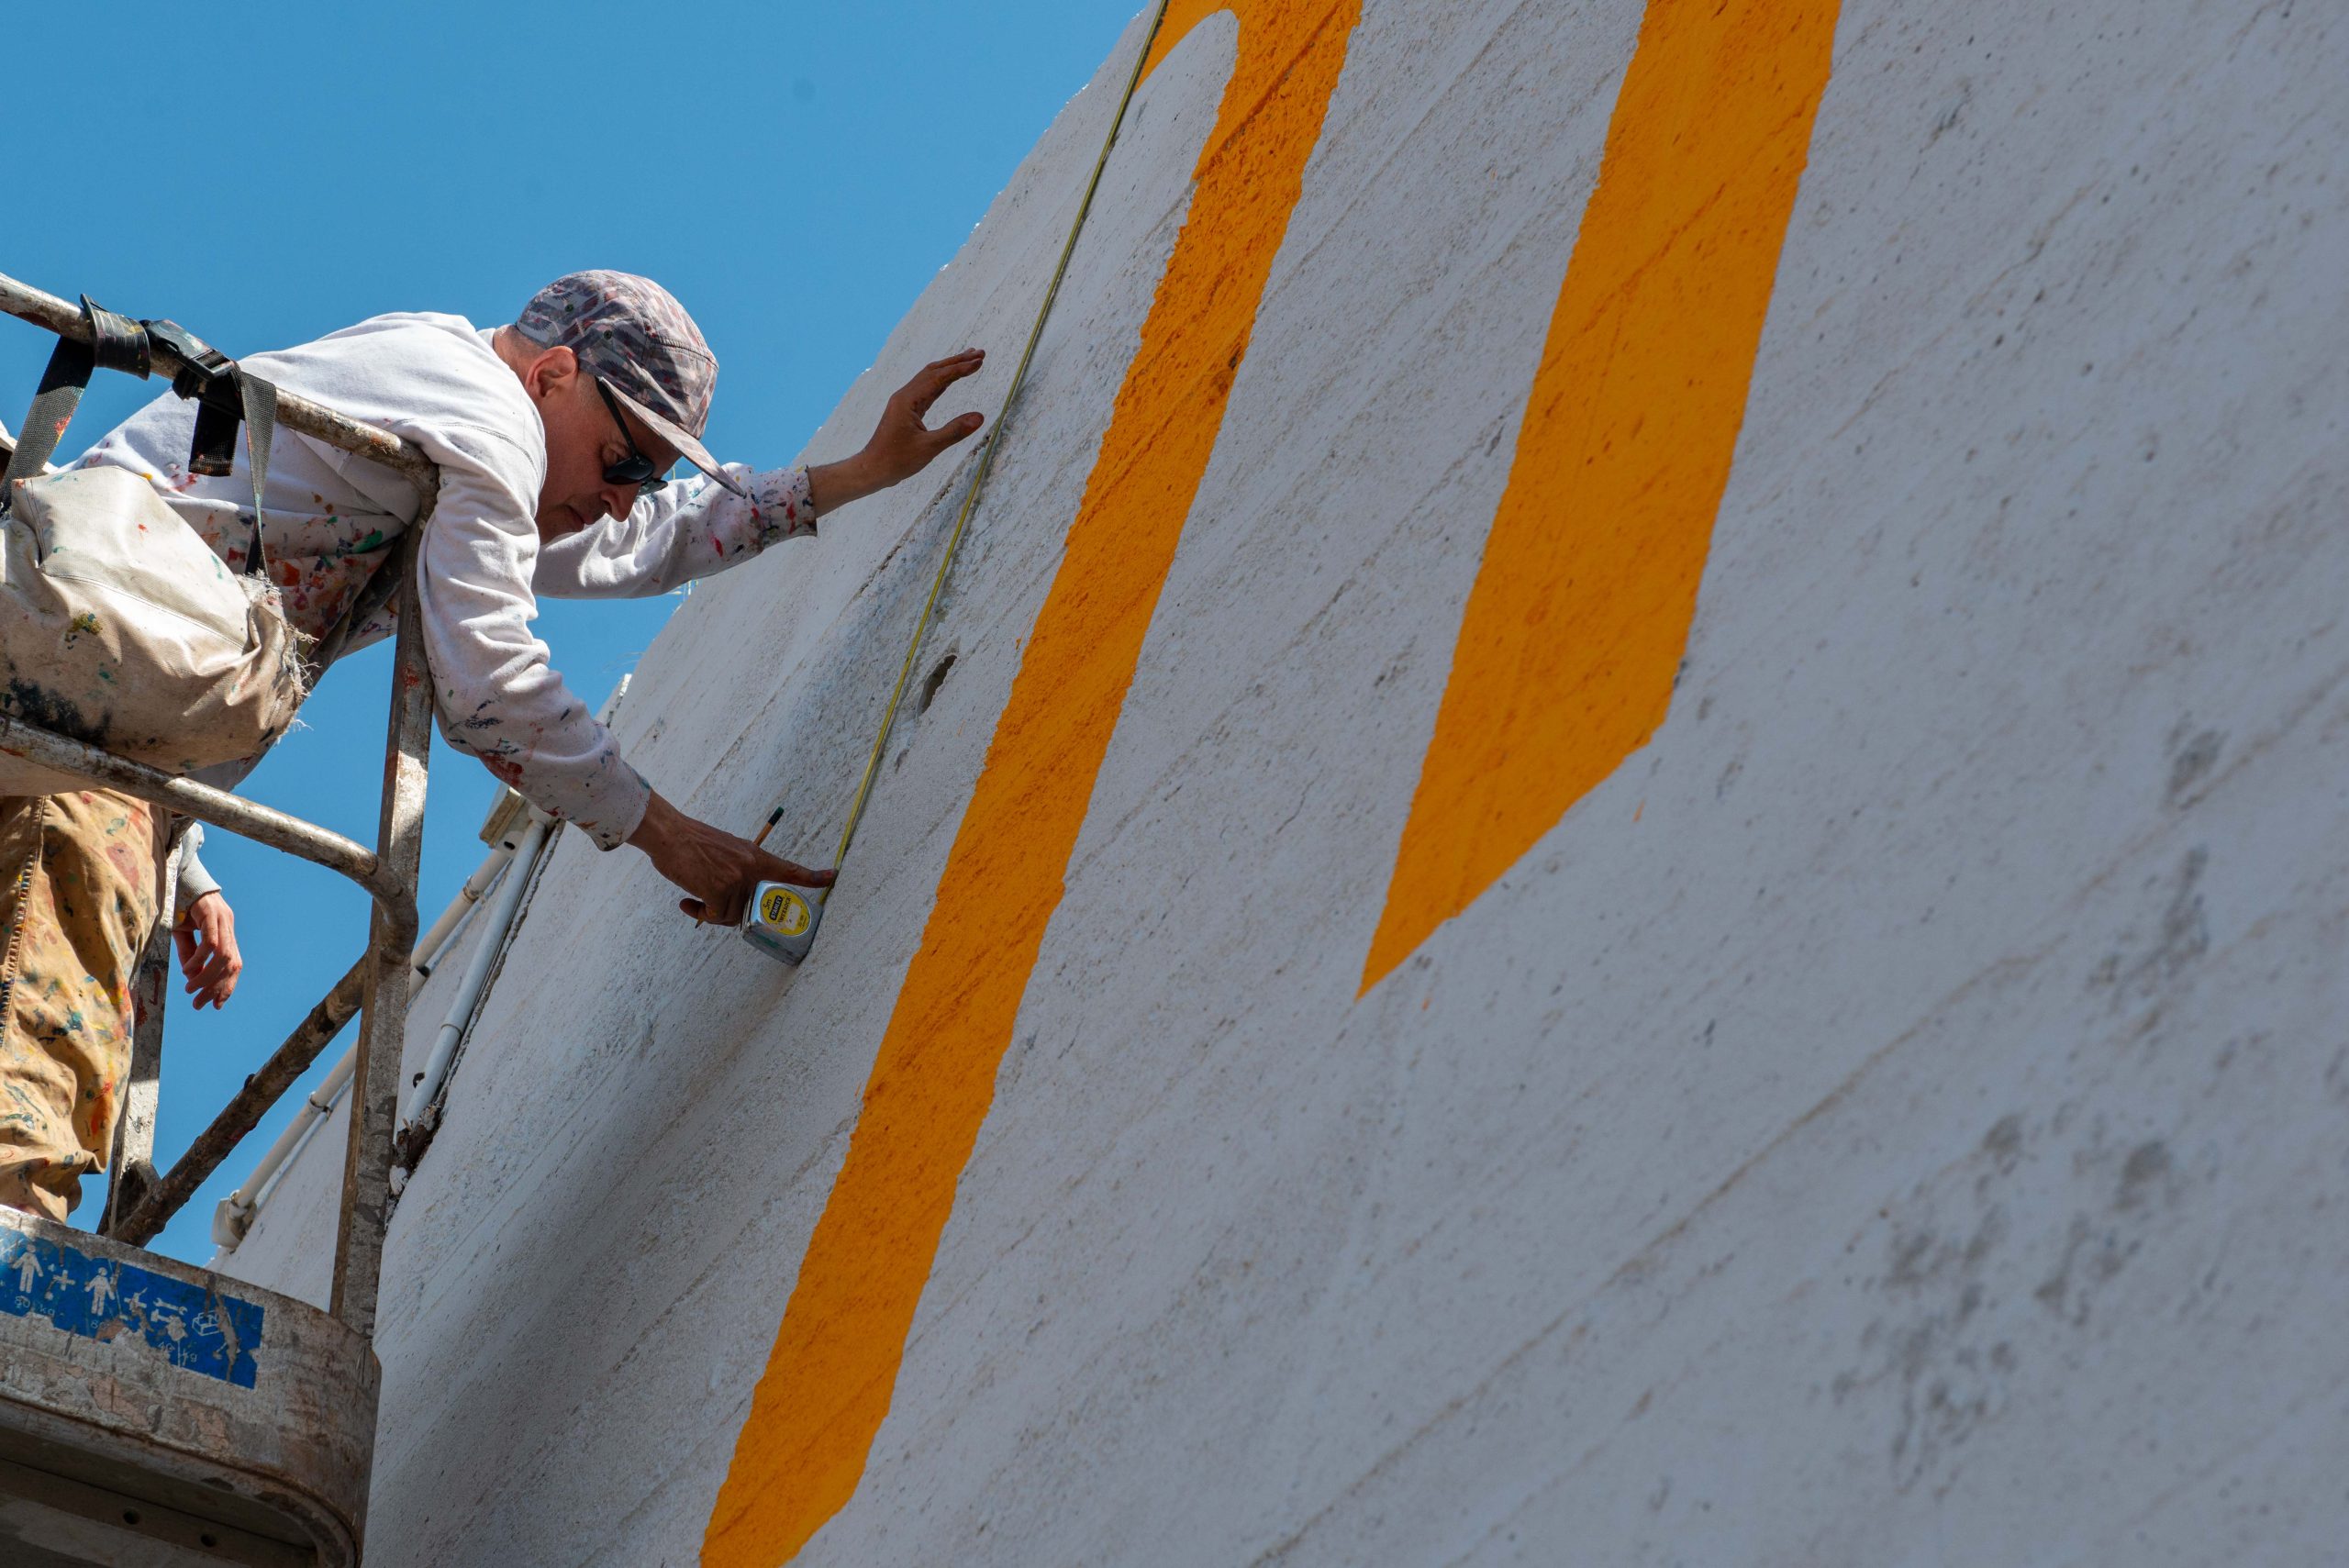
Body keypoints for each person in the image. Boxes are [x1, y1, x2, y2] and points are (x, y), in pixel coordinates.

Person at [0, 271, 985, 1218]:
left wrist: (855, 474)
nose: (625, 496)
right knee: (31, 1082)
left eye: (649, 475)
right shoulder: (488, 411)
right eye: (623, 462)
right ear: (552, 375)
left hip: (70, 701)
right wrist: (673, 838)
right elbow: (487, 688)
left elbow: (639, 540)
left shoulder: (442, 402)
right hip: (69, 747)